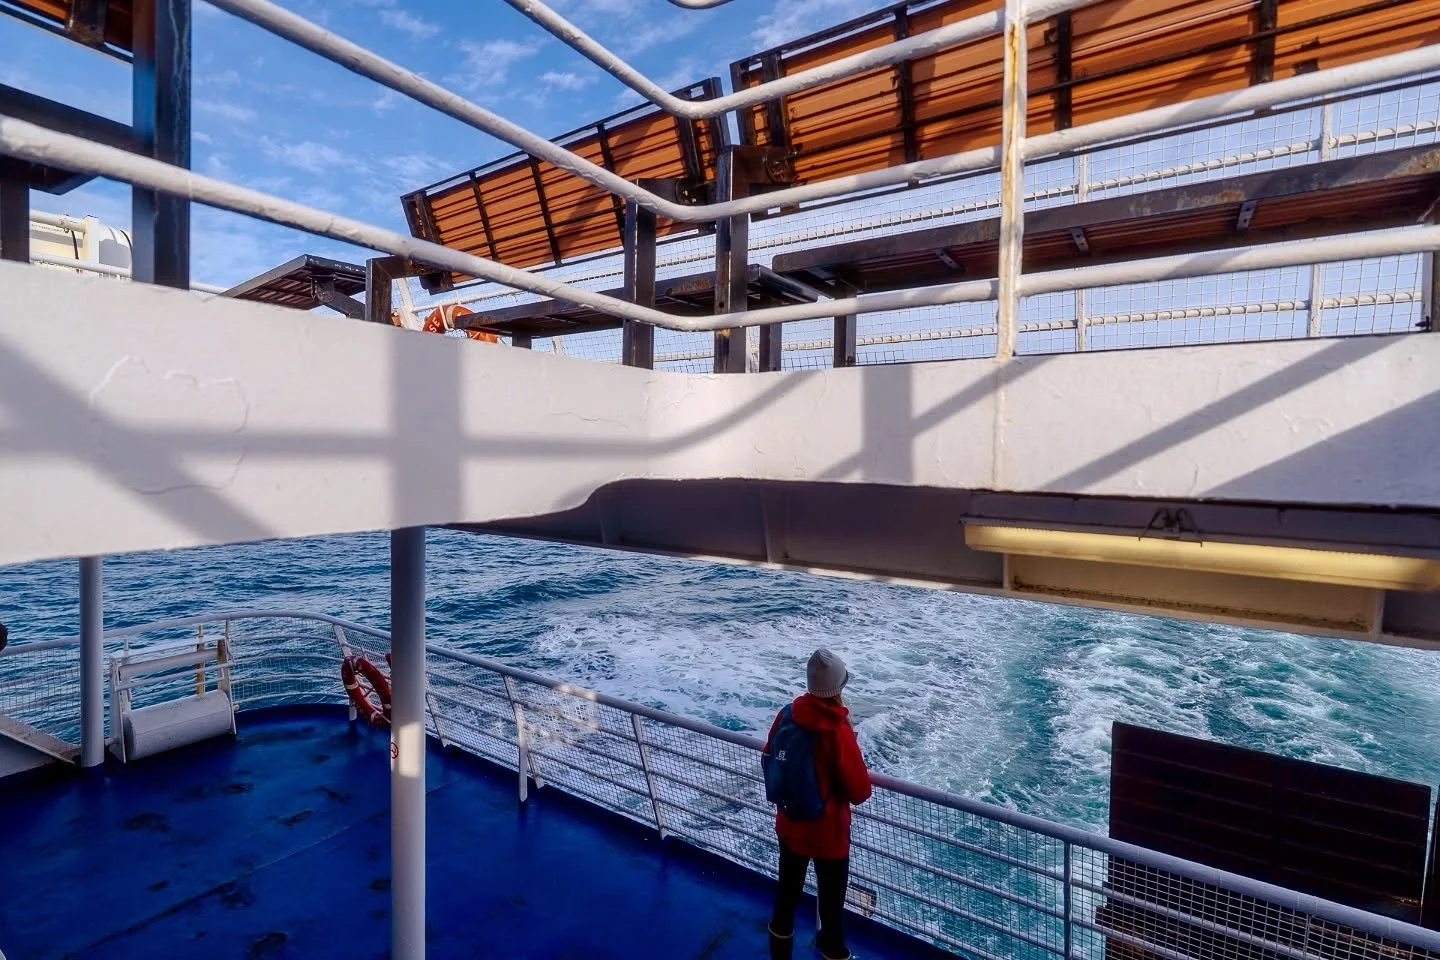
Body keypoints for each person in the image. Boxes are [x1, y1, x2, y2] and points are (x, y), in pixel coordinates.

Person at [763, 648, 872, 960]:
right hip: (828, 835)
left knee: (786, 896)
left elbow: (769, 756)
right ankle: (831, 951)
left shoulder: (786, 714)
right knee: (831, 906)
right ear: (838, 688)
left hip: (789, 824)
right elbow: (859, 791)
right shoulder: (837, 731)